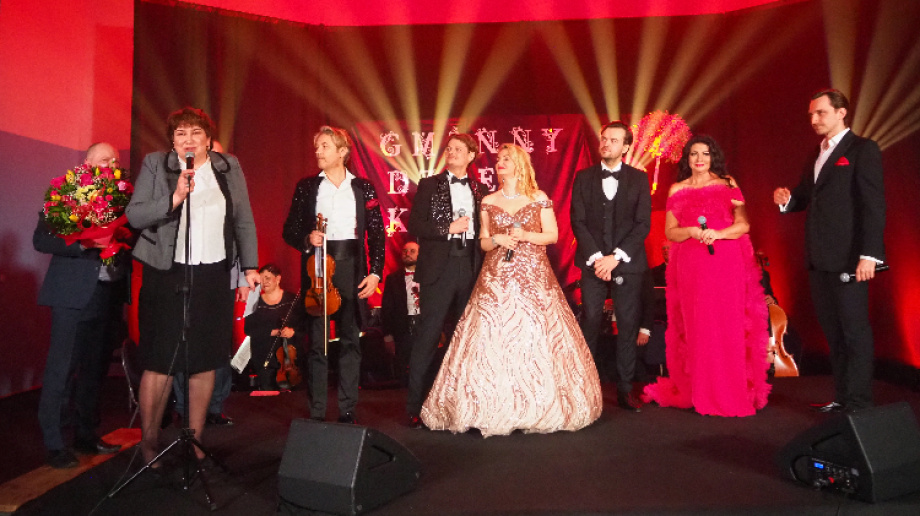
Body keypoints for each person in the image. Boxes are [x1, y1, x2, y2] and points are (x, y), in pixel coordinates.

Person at [421, 143, 602, 436]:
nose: (500, 163)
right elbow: (483, 241)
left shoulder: (538, 197)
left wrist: (526, 235)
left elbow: (552, 236)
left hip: (534, 277)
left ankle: (540, 404)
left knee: (537, 335)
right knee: (489, 335)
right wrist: (497, 241)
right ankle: (485, 406)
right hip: (496, 277)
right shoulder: (488, 200)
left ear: (520, 164)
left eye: (507, 158)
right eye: (498, 159)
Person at [126, 107, 259, 463]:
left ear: (208, 139)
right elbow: (135, 215)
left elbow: (243, 219)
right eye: (181, 133)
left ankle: (196, 443)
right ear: (172, 140)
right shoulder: (157, 165)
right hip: (166, 273)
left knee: (204, 359)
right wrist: (174, 198)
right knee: (161, 360)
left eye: (196, 133)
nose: (188, 139)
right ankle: (149, 445)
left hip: (213, 273)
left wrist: (249, 267)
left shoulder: (228, 166)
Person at [773, 89, 885, 413]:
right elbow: (805, 195)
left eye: (820, 112)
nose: (814, 119)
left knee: (854, 332)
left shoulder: (863, 149)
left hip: (850, 258)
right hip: (819, 258)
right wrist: (786, 200)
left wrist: (869, 255)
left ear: (841, 112)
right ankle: (843, 397)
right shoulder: (817, 152)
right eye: (811, 114)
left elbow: (873, 205)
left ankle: (860, 402)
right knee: (834, 334)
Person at [642, 135, 770, 417]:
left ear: (714, 157)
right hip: (692, 264)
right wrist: (691, 231)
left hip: (726, 261)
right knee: (698, 327)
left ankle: (730, 392)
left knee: (728, 325)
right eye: (694, 154)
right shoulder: (677, 188)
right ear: (687, 159)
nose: (699, 159)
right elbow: (670, 232)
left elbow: (743, 225)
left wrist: (719, 234)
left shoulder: (728, 183)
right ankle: (702, 391)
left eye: (706, 154)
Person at [282, 126, 385, 424]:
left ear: (342, 151)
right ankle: (317, 410)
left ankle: (347, 408)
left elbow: (377, 233)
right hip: (318, 270)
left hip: (352, 267)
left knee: (351, 339)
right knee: (317, 342)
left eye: (325, 146)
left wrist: (375, 273)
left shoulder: (362, 187)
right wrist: (307, 238)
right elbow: (289, 230)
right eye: (317, 146)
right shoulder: (307, 187)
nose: (318, 151)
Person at [33, 142, 127, 468]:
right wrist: (85, 243)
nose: (110, 164)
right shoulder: (65, 194)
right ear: (87, 162)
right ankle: (55, 442)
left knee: (94, 371)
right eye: (103, 159)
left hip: (106, 294)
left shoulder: (121, 198)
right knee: (62, 369)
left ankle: (86, 435)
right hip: (71, 294)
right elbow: (41, 240)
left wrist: (123, 239)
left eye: (114, 161)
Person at [405, 133, 490, 428]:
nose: (451, 152)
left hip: (470, 266)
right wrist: (447, 227)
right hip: (439, 269)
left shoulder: (480, 189)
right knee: (428, 336)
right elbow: (414, 224)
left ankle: (460, 407)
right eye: (449, 148)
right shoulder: (430, 184)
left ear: (471, 155)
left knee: (464, 338)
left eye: (458, 149)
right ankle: (416, 407)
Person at [570, 121, 651, 412]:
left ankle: (625, 389)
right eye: (604, 139)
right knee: (591, 320)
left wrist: (615, 257)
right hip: (592, 262)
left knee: (627, 324)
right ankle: (587, 390)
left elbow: (642, 224)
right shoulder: (583, 177)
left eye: (614, 140)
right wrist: (597, 258)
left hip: (626, 263)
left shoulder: (639, 179)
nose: (606, 143)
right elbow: (577, 221)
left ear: (626, 147)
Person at [243, 264, 305, 390]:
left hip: (291, 359)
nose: (264, 282)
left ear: (278, 279)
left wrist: (293, 331)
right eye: (261, 279)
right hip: (265, 357)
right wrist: (273, 332)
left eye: (267, 278)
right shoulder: (253, 302)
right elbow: (248, 329)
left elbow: (304, 325)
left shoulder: (293, 299)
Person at [381, 241, 421, 387]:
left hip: (423, 326)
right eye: (405, 251)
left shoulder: (429, 276)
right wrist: (388, 336)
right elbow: (387, 309)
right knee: (402, 374)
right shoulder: (393, 279)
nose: (407, 254)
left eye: (412, 251)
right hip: (403, 329)